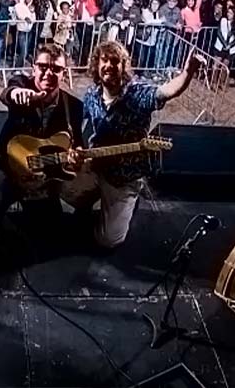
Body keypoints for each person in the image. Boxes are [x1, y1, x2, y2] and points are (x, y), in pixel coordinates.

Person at [68, 41, 203, 249]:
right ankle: (92, 199)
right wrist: (74, 145)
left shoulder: (138, 93)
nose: (109, 66)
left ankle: (126, 202)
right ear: (96, 65)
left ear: (124, 66)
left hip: (124, 178)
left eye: (115, 61)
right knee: (62, 186)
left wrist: (188, 73)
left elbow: (166, 91)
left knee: (108, 241)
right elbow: (77, 123)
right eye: (104, 60)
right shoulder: (92, 95)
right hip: (96, 167)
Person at [0, 45, 84, 222]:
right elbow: (9, 92)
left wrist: (78, 154)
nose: (48, 73)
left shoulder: (74, 106)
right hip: (8, 169)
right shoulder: (21, 84)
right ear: (34, 68)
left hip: (45, 177)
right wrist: (16, 93)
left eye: (56, 69)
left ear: (63, 73)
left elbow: (77, 142)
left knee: (50, 227)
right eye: (43, 66)